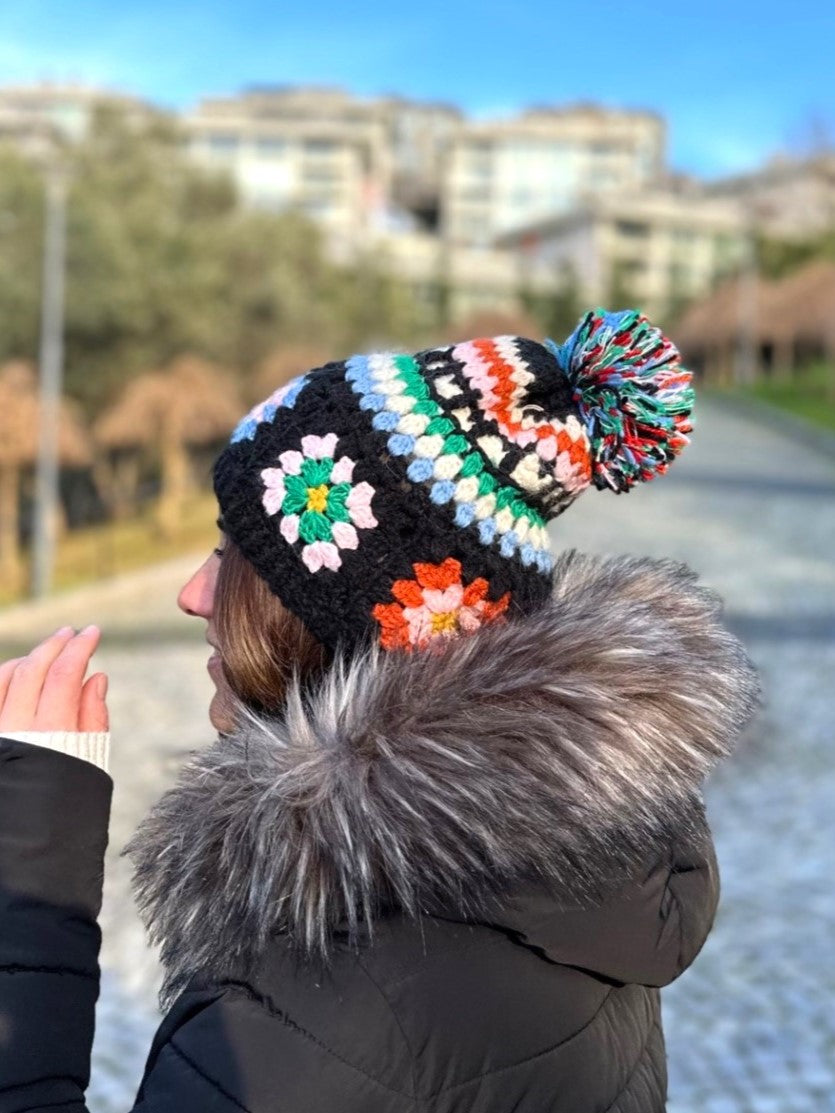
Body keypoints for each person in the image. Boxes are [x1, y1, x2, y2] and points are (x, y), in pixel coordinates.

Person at [0, 309, 760, 1111]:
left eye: (234, 557)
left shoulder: (323, 997)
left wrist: (30, 859)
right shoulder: (571, 871)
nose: (192, 594)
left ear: (344, 619)